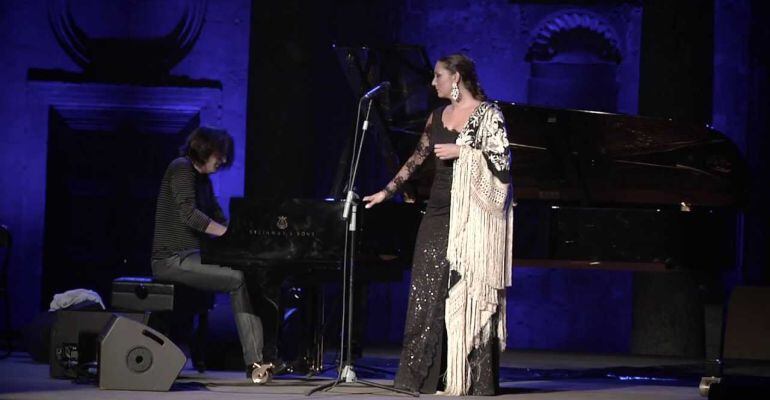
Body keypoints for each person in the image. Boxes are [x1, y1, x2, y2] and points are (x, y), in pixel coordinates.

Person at [363, 54, 514, 396]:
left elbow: (503, 165)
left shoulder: (489, 116)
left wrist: (465, 152)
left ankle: (473, 379)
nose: (434, 83)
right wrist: (387, 192)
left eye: (438, 76)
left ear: (456, 77)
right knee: (425, 290)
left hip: (474, 215)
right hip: (438, 210)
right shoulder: (437, 116)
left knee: (469, 292)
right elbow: (416, 159)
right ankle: (418, 377)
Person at [151, 126, 273, 383]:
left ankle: (264, 355)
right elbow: (190, 215)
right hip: (171, 258)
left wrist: (244, 239)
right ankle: (255, 362)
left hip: (192, 256)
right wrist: (227, 235)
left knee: (249, 274)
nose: (224, 160)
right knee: (238, 278)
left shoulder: (203, 180)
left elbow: (218, 217)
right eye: (221, 153)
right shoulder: (181, 167)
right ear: (204, 149)